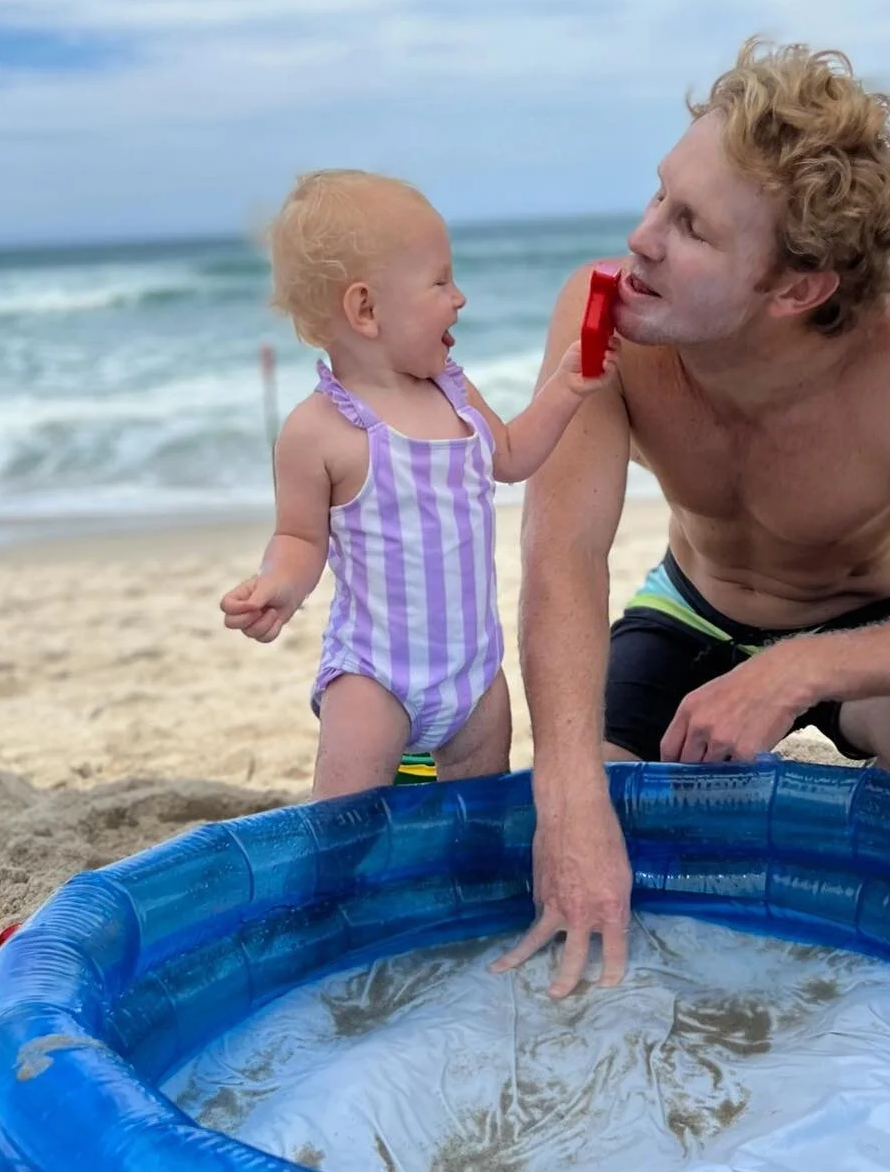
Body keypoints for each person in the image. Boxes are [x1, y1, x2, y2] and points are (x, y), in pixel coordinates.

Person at [494, 38, 890, 999]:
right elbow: (562, 554)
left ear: (796, 288)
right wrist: (567, 793)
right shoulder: (607, 318)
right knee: (584, 795)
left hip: (869, 617)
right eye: (657, 196)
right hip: (691, 607)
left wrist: (800, 667)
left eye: (690, 227)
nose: (640, 238)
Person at [220, 170, 617, 798]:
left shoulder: (454, 393)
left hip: (473, 675)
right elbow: (298, 537)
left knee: (480, 817)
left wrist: (566, 388)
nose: (459, 298)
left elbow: (511, 456)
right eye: (440, 281)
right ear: (366, 309)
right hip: (376, 677)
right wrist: (278, 585)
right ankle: (339, 892)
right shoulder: (317, 431)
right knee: (345, 819)